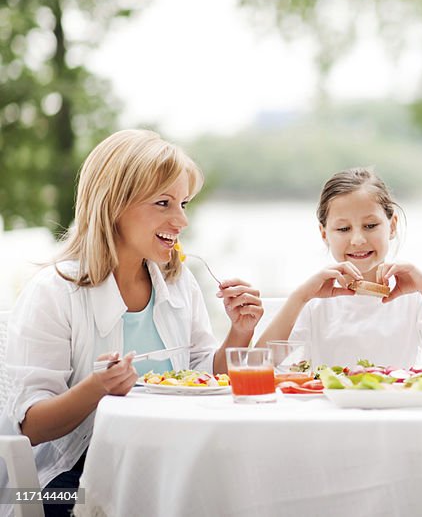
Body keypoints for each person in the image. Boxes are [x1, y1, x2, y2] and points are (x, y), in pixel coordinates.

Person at [3, 130, 264, 513]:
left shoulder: (178, 282)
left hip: (168, 458)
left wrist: (240, 332)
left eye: (184, 203)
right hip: (71, 477)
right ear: (113, 205)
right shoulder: (54, 292)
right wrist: (97, 387)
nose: (181, 221)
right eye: (163, 203)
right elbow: (32, 427)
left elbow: (205, 375)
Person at [257, 168, 422, 371]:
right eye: (343, 229)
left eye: (370, 226)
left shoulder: (416, 298)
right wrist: (300, 297)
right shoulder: (313, 300)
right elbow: (255, 366)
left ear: (392, 226)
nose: (358, 240)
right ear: (324, 234)